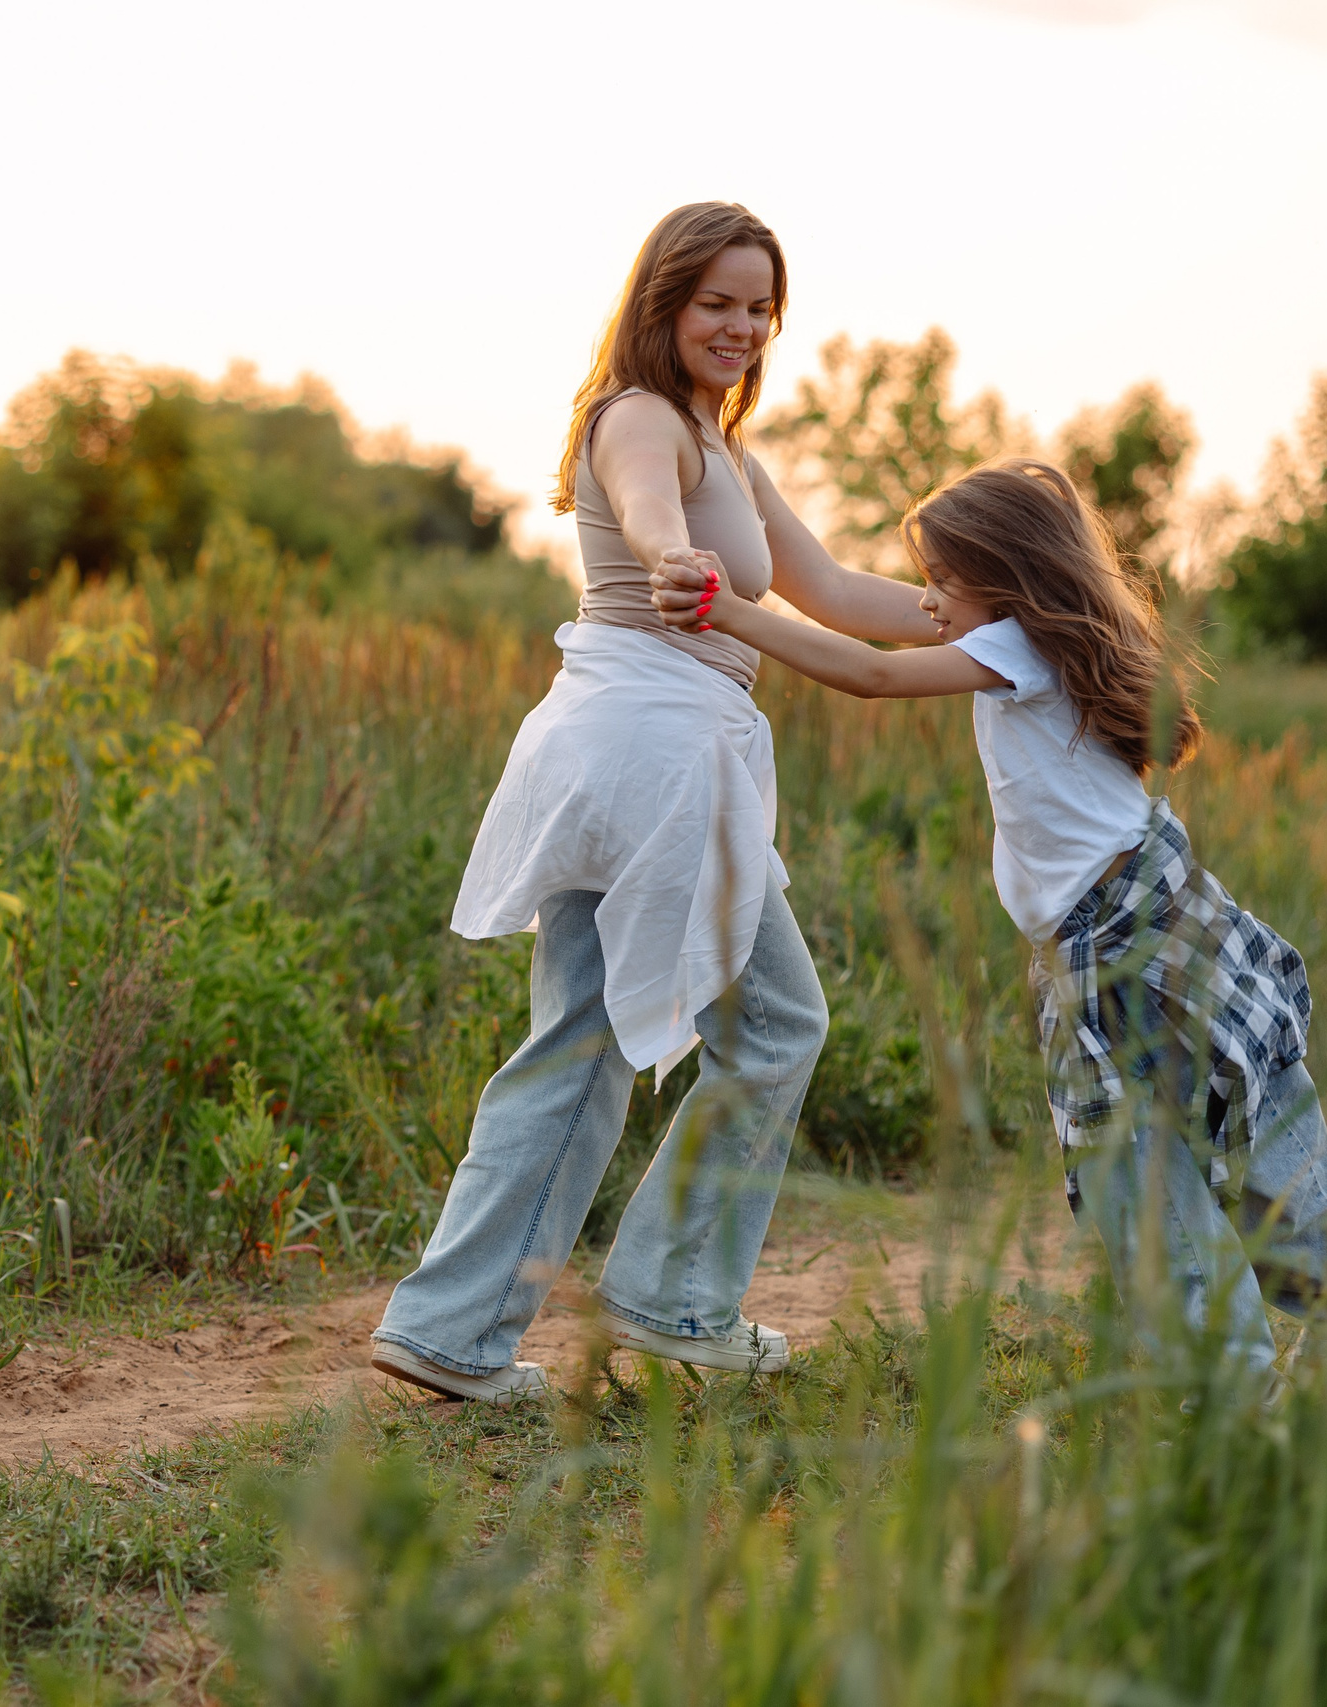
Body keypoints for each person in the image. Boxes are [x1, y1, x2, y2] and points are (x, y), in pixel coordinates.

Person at [649, 458, 1327, 1383]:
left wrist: (726, 608)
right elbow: (841, 599)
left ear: (1005, 578)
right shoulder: (1033, 637)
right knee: (1167, 1148)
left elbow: (869, 676)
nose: (929, 601)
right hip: (1107, 937)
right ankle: (1248, 1364)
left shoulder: (1016, 648)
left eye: (943, 582)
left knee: (1198, 1135)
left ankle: (1317, 1316)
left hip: (1130, 930)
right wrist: (748, 481)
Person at [372, 202, 936, 1404]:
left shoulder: (724, 444)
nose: (739, 326)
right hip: (659, 750)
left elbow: (835, 590)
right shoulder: (640, 420)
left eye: (758, 307)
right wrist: (672, 553)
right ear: (662, 303)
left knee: (581, 1039)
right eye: (716, 302)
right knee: (775, 1025)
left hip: (619, 751)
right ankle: (672, 1299)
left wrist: (994, 609)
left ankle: (454, 1329)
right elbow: (643, 508)